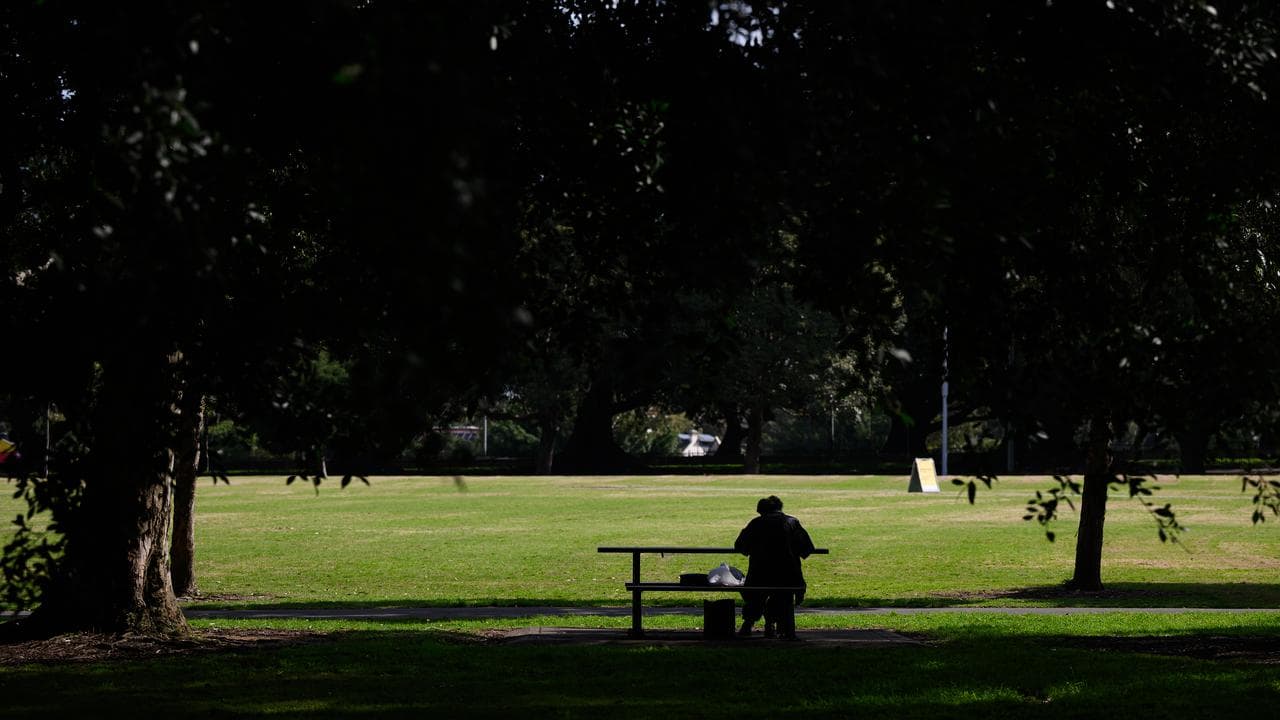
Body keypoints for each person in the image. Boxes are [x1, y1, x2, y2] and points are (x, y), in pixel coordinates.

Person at [734, 495, 815, 640]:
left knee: (755, 595)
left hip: (759, 573)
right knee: (783, 596)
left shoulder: (756, 523)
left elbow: (740, 546)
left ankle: (748, 624)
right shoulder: (792, 522)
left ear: (761, 510)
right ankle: (776, 626)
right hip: (787, 574)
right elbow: (806, 548)